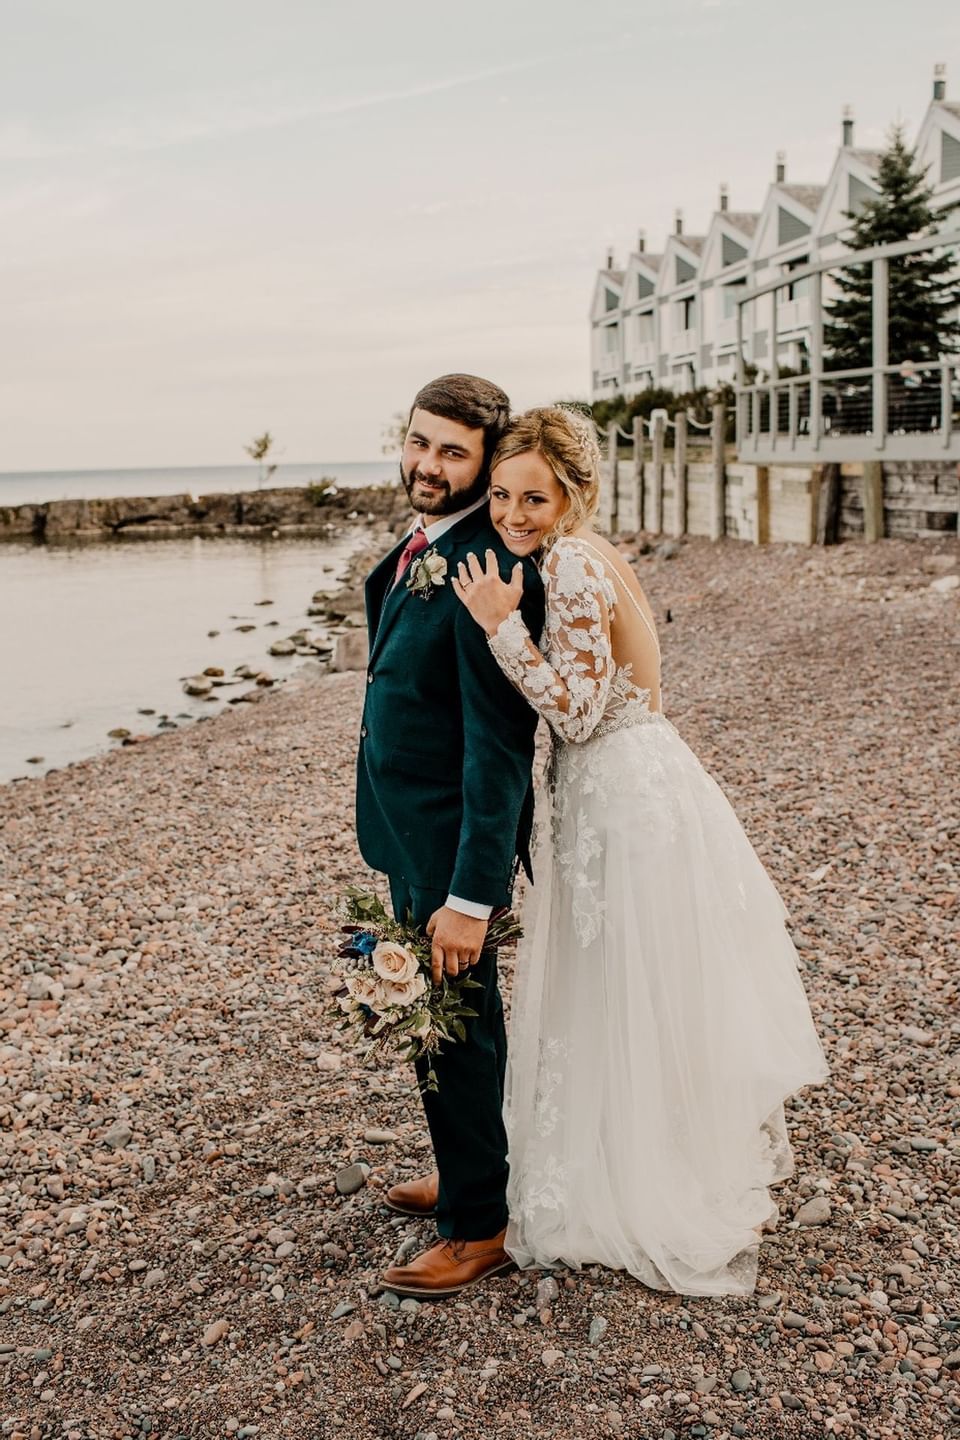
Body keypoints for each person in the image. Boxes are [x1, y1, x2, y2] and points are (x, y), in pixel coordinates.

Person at [451, 405, 828, 1296]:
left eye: (533, 497)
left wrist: (500, 623)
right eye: (501, 494)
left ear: (574, 492)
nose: (511, 513)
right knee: (636, 984)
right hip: (640, 777)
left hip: (619, 795)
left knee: (616, 980)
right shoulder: (595, 549)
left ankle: (630, 1180)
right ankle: (640, 1147)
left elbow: (576, 711)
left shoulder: (574, 563)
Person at [356, 374, 546, 1297]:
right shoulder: (426, 540)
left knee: (460, 1022)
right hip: (408, 827)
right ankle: (472, 1172)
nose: (427, 464)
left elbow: (501, 745)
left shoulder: (484, 566)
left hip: (451, 843)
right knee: (438, 1022)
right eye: (420, 442)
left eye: (452, 452)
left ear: (485, 461)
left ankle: (482, 1228)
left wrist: (473, 897)